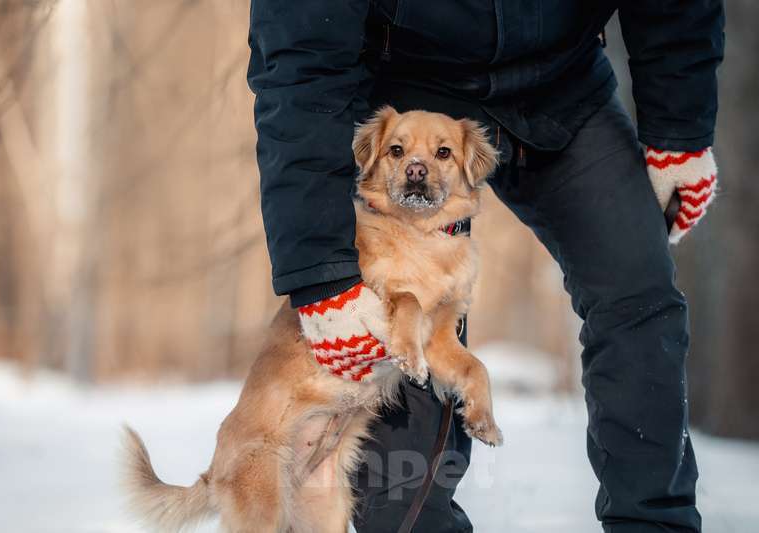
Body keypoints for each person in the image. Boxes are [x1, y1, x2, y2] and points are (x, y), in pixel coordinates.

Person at [247, 2, 724, 532]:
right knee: (391, 324)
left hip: (563, 84)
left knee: (641, 296)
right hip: (408, 81)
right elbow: (299, 58)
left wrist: (679, 133)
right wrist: (323, 274)